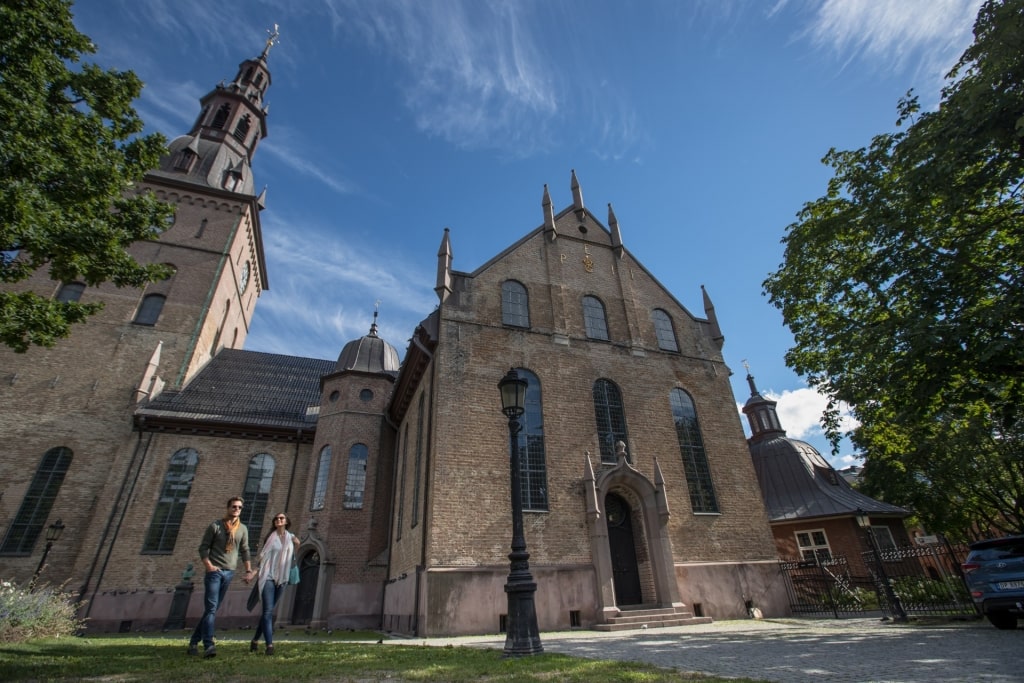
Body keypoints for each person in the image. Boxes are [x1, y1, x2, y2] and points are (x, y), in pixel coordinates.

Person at [187, 496, 254, 658]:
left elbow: (245, 550)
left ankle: (193, 642)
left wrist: (248, 570)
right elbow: (203, 548)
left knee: (212, 609)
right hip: (214, 573)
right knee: (211, 608)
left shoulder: (242, 529)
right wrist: (209, 566)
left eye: (239, 507)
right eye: (234, 507)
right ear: (228, 508)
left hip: (229, 572)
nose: (236, 509)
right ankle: (209, 644)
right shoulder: (215, 526)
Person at [250, 512, 299, 655]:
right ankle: (269, 645)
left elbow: (298, 543)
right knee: (268, 611)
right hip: (268, 577)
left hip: (282, 578)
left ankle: (254, 640)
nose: (278, 520)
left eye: (281, 518)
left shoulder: (290, 537)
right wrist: (254, 572)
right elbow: (263, 556)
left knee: (268, 611)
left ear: (286, 521)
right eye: (276, 519)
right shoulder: (270, 538)